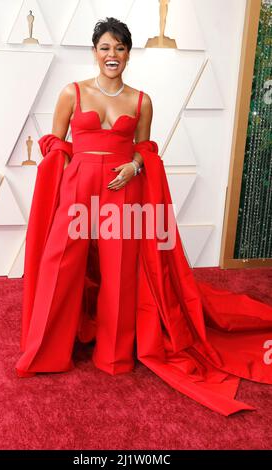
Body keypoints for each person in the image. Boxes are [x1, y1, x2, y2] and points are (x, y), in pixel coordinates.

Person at [16, 17, 272, 417]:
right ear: (94, 52)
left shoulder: (141, 101)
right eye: (104, 47)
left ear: (129, 54)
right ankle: (47, 352)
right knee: (59, 266)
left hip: (122, 189)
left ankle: (114, 357)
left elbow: (145, 147)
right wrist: (65, 163)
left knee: (120, 273)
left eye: (119, 48)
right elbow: (55, 140)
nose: (111, 55)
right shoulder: (72, 92)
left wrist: (135, 166)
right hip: (79, 188)